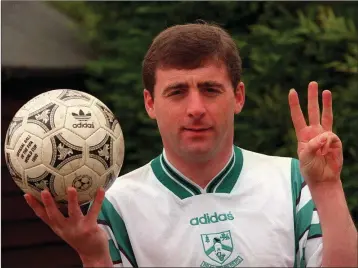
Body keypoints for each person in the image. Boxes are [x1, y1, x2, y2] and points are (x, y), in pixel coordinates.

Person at [24, 22, 357, 267]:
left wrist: (327, 187)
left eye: (210, 89)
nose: (196, 109)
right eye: (177, 91)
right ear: (150, 103)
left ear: (238, 97)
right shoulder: (114, 204)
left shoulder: (294, 180)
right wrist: (94, 257)